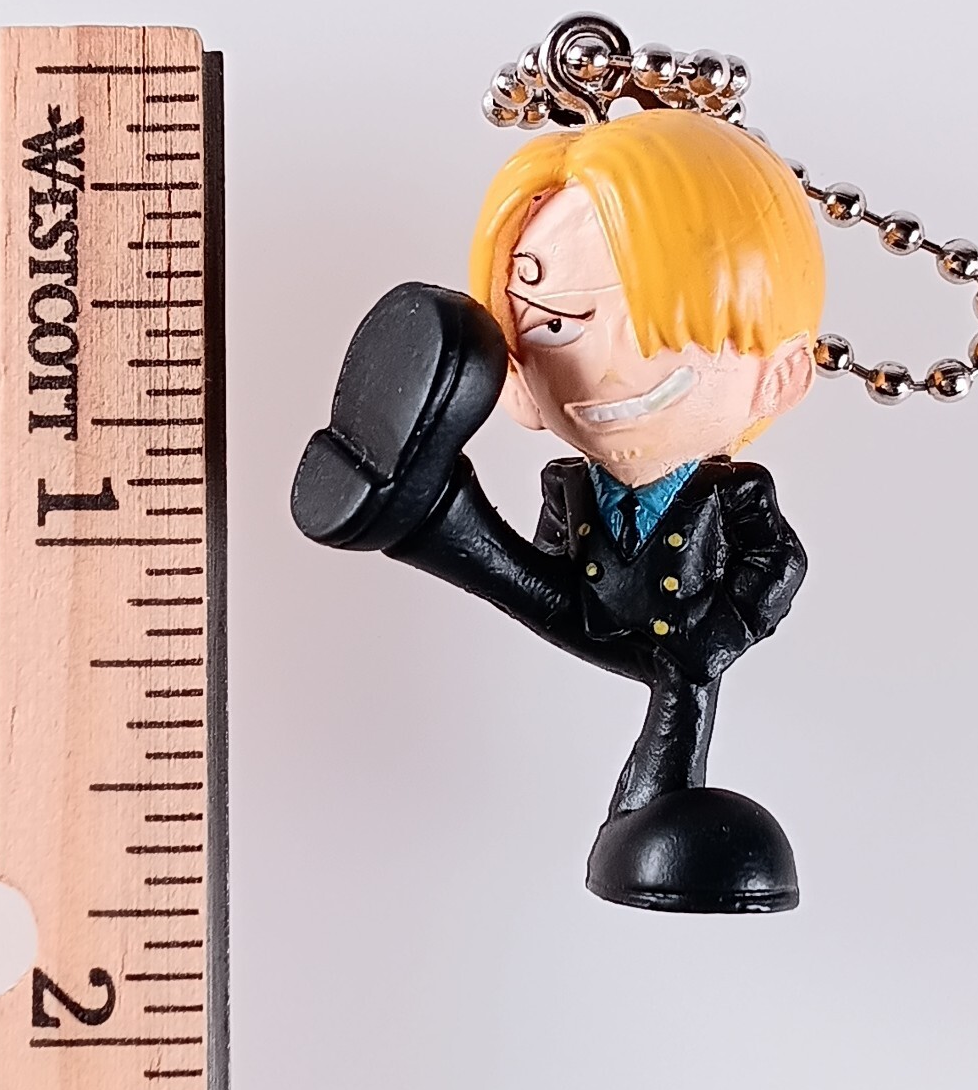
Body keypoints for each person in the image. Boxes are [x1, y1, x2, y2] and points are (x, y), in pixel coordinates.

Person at [292, 105, 824, 913]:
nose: (604, 369)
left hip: (678, 640)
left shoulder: (735, 496)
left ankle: (431, 514)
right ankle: (430, 512)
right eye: (553, 326)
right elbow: (548, 570)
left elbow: (779, 563)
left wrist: (718, 636)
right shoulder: (568, 487)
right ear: (513, 373)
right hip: (590, 613)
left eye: (651, 330)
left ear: (780, 376)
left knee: (680, 685)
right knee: (560, 607)